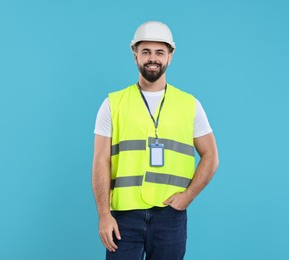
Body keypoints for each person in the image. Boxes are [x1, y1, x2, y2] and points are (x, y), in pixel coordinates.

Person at [92, 21, 219, 260]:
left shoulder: (190, 105)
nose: (153, 58)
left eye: (160, 52)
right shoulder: (112, 104)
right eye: (146, 51)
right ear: (135, 55)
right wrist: (103, 215)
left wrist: (187, 196)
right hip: (124, 215)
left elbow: (211, 157)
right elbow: (100, 161)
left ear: (170, 56)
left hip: (169, 215)